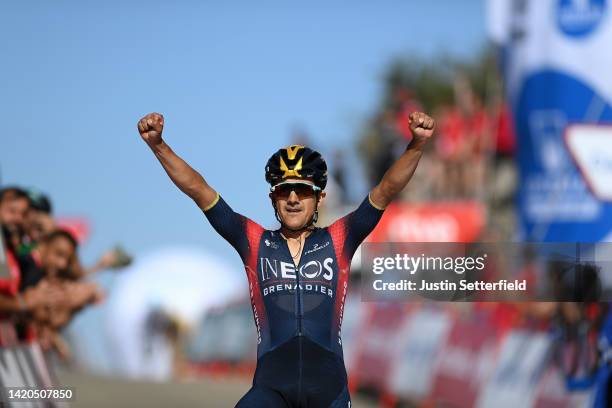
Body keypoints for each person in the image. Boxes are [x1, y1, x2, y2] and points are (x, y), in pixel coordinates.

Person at [137, 110, 435, 408]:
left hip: (328, 390)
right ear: (273, 199)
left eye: (303, 190)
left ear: (319, 198)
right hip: (271, 388)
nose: (293, 199)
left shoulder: (340, 238)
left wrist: (417, 145)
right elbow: (199, 191)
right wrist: (159, 146)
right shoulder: (253, 241)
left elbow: (386, 190)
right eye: (284, 191)